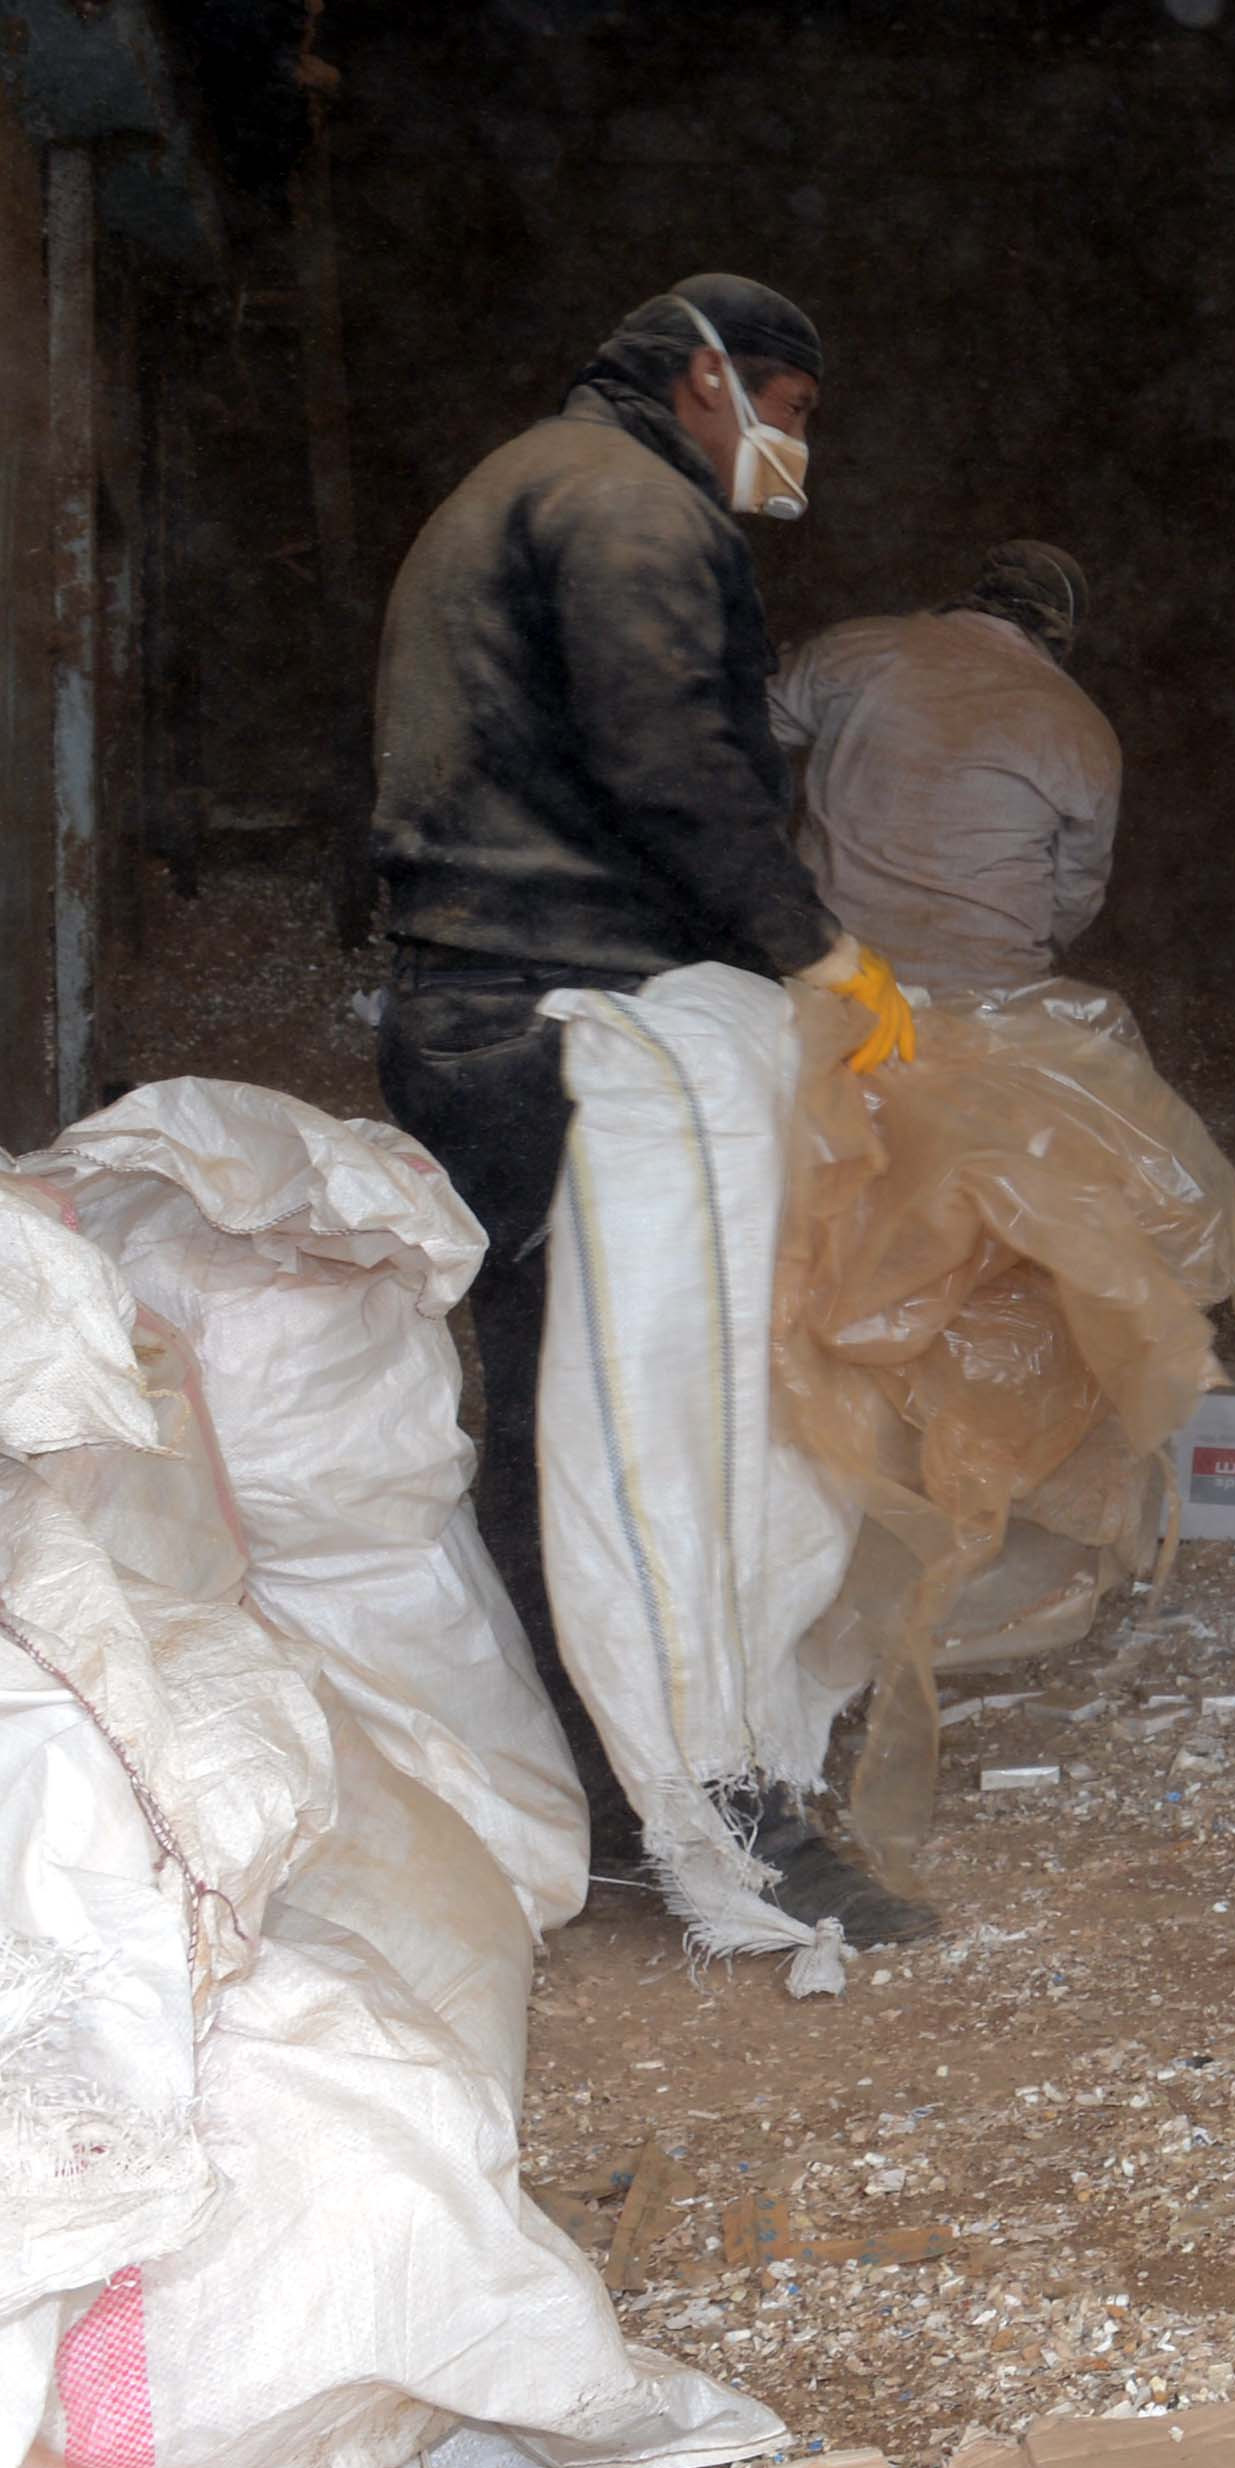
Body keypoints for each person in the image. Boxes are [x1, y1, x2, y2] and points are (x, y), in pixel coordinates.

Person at [369, 271, 936, 1945]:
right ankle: (724, 1827)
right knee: (667, 1437)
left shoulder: (516, 485)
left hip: (468, 1007)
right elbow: (671, 761)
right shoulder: (629, 508)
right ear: (706, 378)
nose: (796, 447)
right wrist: (817, 952)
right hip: (582, 1022)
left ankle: (594, 1781)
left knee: (553, 1425)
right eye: (791, 409)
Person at [769, 540, 1122, 990]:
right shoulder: (1085, 729)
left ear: (981, 590)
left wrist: (757, 868)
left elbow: (743, 733)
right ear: (1062, 633)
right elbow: (1075, 895)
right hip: (987, 992)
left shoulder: (856, 648)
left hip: (830, 965)